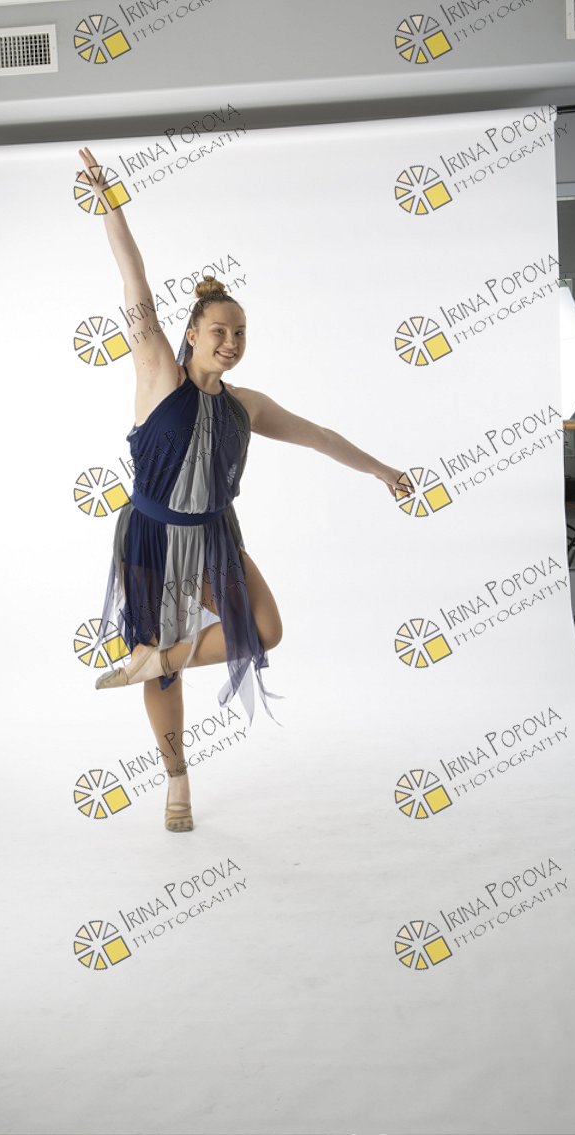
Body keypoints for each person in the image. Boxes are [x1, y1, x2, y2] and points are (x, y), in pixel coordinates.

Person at [79, 145, 414, 834]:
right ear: (191, 334)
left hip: (213, 537)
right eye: (219, 331)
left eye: (240, 333)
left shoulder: (245, 406)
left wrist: (382, 470)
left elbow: (319, 435)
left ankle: (157, 658)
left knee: (264, 630)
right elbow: (132, 276)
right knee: (167, 677)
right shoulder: (157, 372)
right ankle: (176, 778)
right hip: (153, 536)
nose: (230, 341)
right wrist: (111, 203)